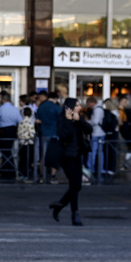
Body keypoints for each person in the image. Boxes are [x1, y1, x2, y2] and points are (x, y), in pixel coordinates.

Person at [49, 98, 90, 226]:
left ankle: (60, 205)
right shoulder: (62, 118)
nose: (80, 107)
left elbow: (89, 130)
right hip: (66, 155)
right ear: (70, 107)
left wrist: (79, 120)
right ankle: (75, 213)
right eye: (77, 105)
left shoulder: (78, 118)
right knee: (75, 183)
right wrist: (68, 121)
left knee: (77, 186)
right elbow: (64, 136)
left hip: (77, 154)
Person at [37, 90, 62, 181]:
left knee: (43, 155)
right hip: (55, 134)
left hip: (44, 133)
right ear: (55, 99)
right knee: (54, 155)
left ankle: (42, 175)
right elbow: (61, 119)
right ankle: (52, 175)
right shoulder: (56, 107)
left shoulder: (41, 106)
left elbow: (38, 119)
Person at [0, 91, 21, 178]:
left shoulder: (0, 109)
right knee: (7, 150)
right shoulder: (15, 109)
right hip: (12, 130)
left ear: (2, 99)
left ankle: (10, 169)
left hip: (3, 130)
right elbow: (19, 120)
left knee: (5, 151)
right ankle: (5, 169)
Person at [85, 96, 105, 176]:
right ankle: (101, 169)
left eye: (88, 104)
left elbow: (95, 121)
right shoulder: (100, 109)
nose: (88, 105)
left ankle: (91, 168)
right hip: (101, 133)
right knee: (100, 152)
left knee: (92, 151)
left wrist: (87, 122)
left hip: (96, 133)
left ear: (92, 102)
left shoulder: (97, 110)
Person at [17, 106, 36, 181]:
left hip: (21, 142)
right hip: (29, 142)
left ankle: (21, 173)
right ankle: (27, 173)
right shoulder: (30, 122)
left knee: (22, 159)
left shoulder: (21, 122)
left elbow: (18, 132)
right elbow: (32, 133)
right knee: (28, 159)